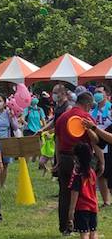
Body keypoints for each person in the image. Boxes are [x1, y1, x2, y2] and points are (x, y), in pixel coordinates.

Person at [55, 91, 101, 236]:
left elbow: (57, 140)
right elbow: (95, 141)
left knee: (64, 194)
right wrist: (101, 160)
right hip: (82, 161)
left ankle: (65, 228)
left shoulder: (62, 117)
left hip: (64, 158)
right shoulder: (85, 117)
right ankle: (85, 226)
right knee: (85, 195)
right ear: (87, 104)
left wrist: (57, 160)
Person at [68, 142, 100, 239]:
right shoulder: (92, 172)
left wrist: (71, 210)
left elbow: (75, 193)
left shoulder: (77, 174)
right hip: (93, 206)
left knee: (84, 233)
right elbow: (94, 191)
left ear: (77, 157)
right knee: (93, 232)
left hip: (82, 208)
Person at [90, 86, 111, 207]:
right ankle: (106, 201)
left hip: (109, 142)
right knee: (100, 173)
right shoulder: (93, 110)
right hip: (96, 143)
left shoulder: (110, 108)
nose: (96, 94)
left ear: (106, 94)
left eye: (99, 92)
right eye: (95, 92)